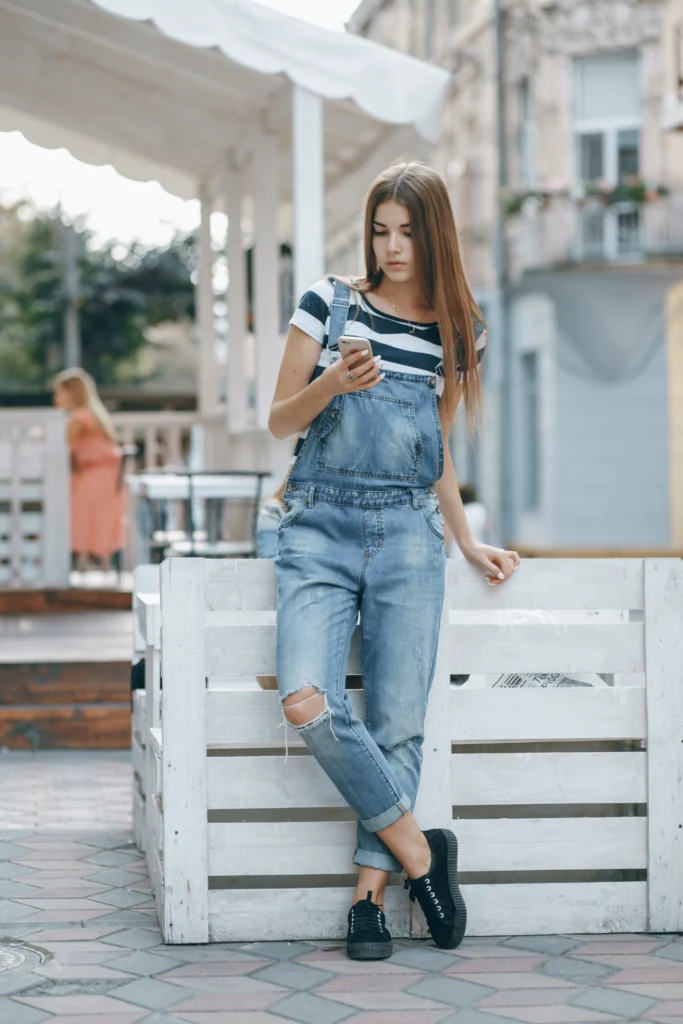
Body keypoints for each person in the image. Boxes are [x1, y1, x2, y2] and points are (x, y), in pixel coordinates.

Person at [269, 162, 520, 961]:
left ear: (434, 233)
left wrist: (464, 539)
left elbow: (435, 451)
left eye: (407, 231)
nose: (391, 246)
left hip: (410, 536)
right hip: (318, 528)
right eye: (380, 230)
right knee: (306, 696)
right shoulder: (328, 302)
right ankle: (420, 853)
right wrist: (333, 383)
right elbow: (278, 422)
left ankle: (367, 903)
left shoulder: (459, 330)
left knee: (398, 723)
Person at [53, 367, 125, 571]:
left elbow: (61, 443)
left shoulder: (80, 418)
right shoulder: (93, 415)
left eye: (59, 392)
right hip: (106, 476)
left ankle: (84, 562)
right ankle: (99, 564)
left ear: (71, 392)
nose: (56, 397)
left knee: (82, 516)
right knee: (95, 517)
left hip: (95, 475)